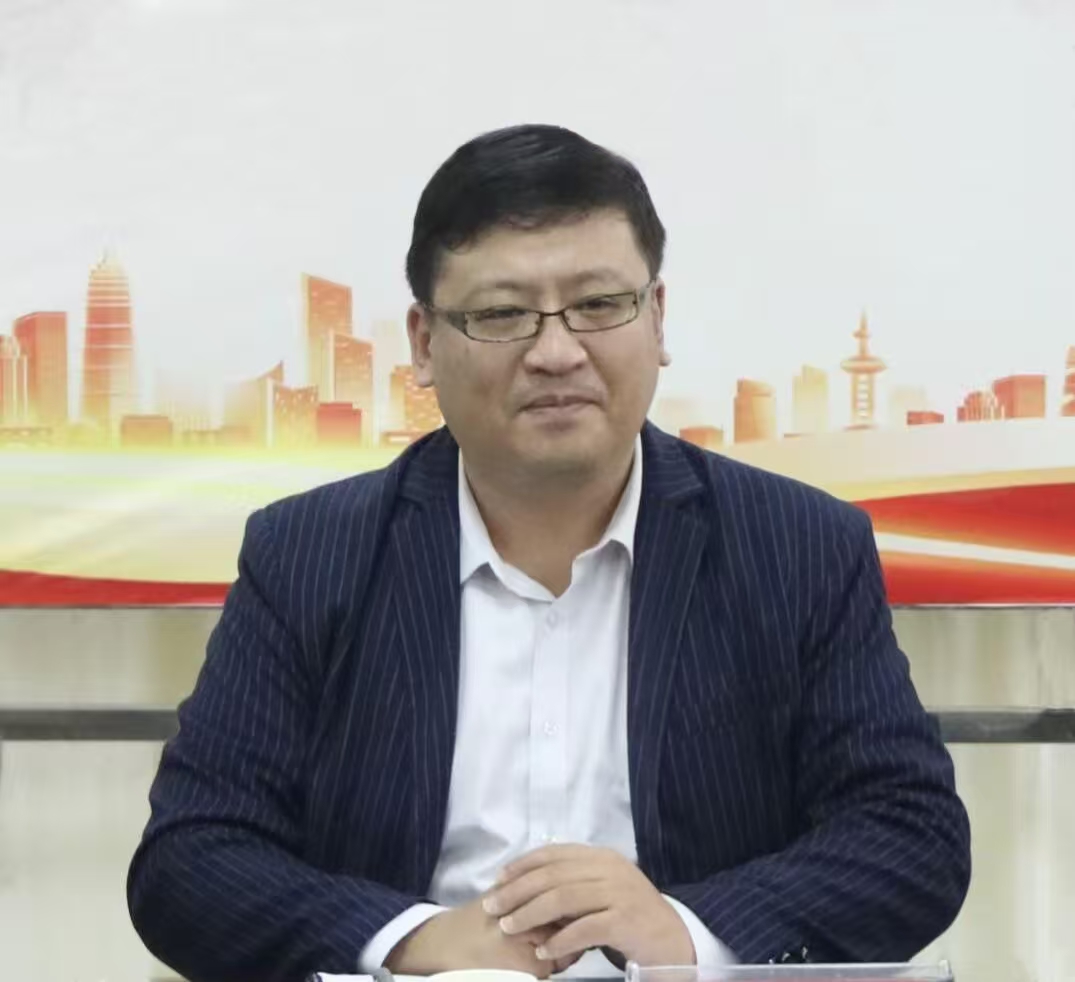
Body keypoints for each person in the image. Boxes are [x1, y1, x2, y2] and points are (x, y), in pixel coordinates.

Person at [127, 124, 971, 982]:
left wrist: (684, 931)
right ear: (423, 343)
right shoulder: (309, 555)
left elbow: (909, 834)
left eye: (599, 305)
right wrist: (414, 939)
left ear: (657, 318)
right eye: (501, 315)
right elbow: (192, 860)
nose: (557, 352)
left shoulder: (797, 546)